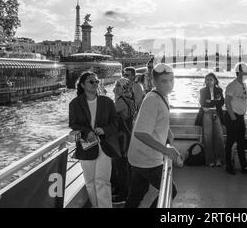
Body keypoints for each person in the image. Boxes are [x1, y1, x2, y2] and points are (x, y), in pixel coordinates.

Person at [125, 63, 181, 208]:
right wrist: (166, 150)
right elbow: (141, 132)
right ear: (153, 82)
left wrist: (167, 131)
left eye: (171, 80)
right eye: (164, 81)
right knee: (169, 192)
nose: (169, 84)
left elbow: (156, 121)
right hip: (147, 158)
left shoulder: (162, 96)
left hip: (139, 156)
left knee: (136, 195)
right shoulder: (152, 100)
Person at [69, 71, 120, 208]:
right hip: (86, 146)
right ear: (82, 85)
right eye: (91, 81)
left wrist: (104, 130)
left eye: (96, 81)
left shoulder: (107, 102)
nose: (95, 84)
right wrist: (87, 133)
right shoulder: (75, 104)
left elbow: (115, 122)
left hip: (104, 145)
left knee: (102, 181)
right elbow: (73, 124)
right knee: (90, 182)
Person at [224, 62, 247, 175]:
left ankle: (244, 166)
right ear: (239, 73)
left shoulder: (243, 84)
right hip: (232, 117)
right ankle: (228, 165)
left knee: (241, 142)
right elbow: (227, 102)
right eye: (246, 73)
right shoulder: (231, 85)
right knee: (230, 142)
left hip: (240, 117)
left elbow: (245, 95)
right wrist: (233, 118)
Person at [111, 77, 136, 203]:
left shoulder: (121, 101)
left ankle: (123, 194)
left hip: (122, 138)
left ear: (124, 88)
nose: (115, 88)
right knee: (125, 165)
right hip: (127, 135)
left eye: (117, 86)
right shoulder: (130, 99)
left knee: (120, 165)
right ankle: (123, 190)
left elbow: (108, 115)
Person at [195, 73, 225, 167]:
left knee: (219, 136)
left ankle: (219, 159)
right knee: (207, 137)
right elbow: (202, 102)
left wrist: (211, 102)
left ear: (215, 80)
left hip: (216, 113)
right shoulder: (202, 91)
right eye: (207, 79)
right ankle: (210, 160)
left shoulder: (219, 90)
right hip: (206, 113)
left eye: (210, 79)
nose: (209, 81)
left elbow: (222, 102)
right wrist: (214, 102)